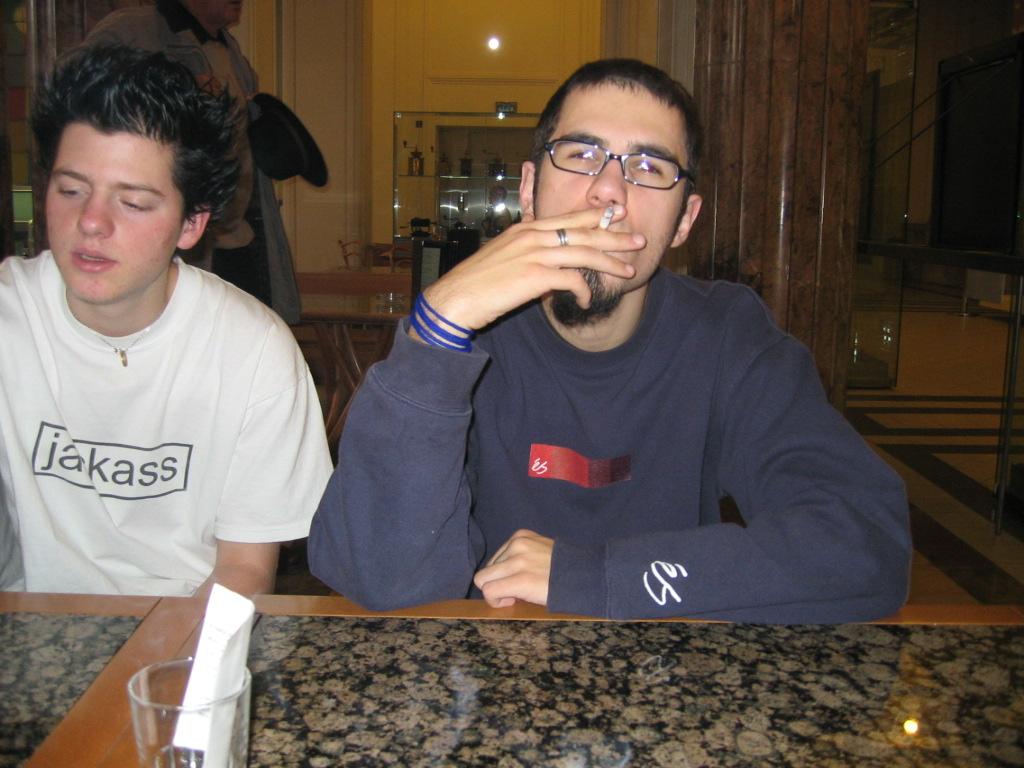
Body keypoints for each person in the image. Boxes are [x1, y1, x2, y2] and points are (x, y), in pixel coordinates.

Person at [308, 59, 911, 622]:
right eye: (581, 155)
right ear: (528, 189)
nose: (609, 192)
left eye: (649, 168)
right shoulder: (465, 341)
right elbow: (380, 580)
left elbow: (865, 543)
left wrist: (589, 576)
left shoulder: (728, 336)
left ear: (684, 220)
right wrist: (436, 332)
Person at [0, 44, 332, 597]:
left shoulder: (253, 350)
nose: (91, 222)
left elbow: (243, 570)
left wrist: (180, 653)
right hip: (36, 628)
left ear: (191, 224)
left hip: (189, 625)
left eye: (132, 202)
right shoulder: (11, 315)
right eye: (71, 190)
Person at [84, 0, 302, 324]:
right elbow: (80, 103)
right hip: (173, 243)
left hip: (236, 238)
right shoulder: (132, 31)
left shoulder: (229, 48)